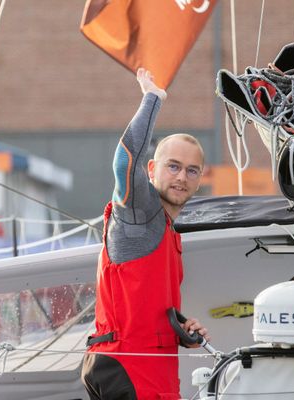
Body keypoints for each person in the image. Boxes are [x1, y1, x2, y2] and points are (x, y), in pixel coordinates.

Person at [81, 68, 209, 400]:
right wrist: (153, 97)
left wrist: (182, 332)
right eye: (173, 166)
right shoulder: (139, 212)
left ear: (199, 179)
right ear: (152, 170)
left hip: (147, 370)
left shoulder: (169, 232)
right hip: (131, 368)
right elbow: (125, 162)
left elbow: (146, 307)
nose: (182, 176)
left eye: (191, 170)